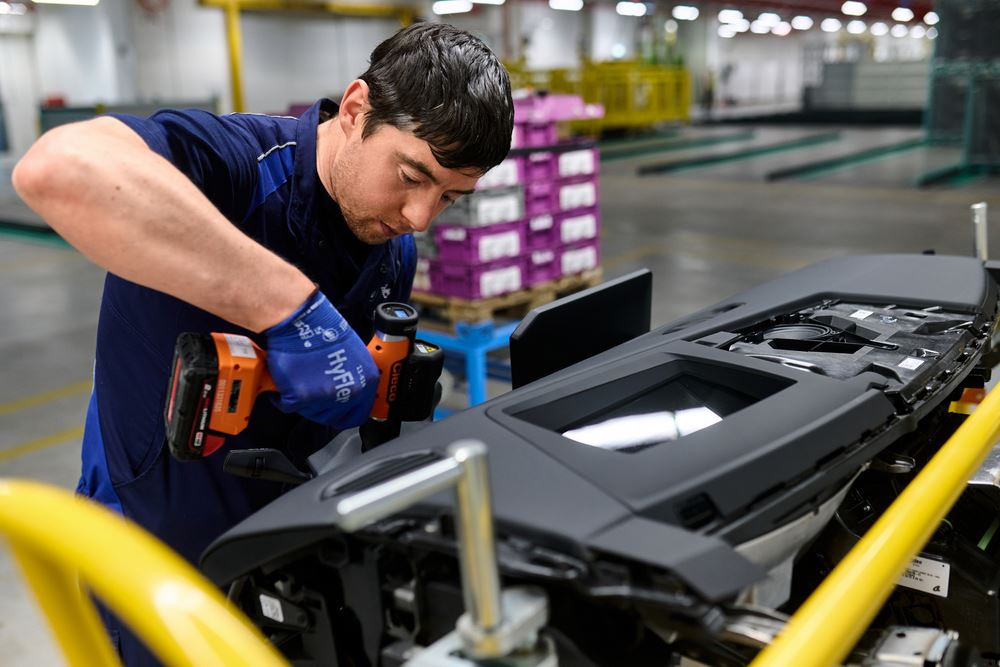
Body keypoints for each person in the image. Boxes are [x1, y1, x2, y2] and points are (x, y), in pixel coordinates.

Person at [13, 21, 513, 664]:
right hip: (152, 555)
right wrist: (288, 307)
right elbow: (57, 169)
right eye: (412, 175)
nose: (420, 216)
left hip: (279, 555)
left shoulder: (391, 251)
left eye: (449, 197)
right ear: (357, 108)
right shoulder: (237, 166)